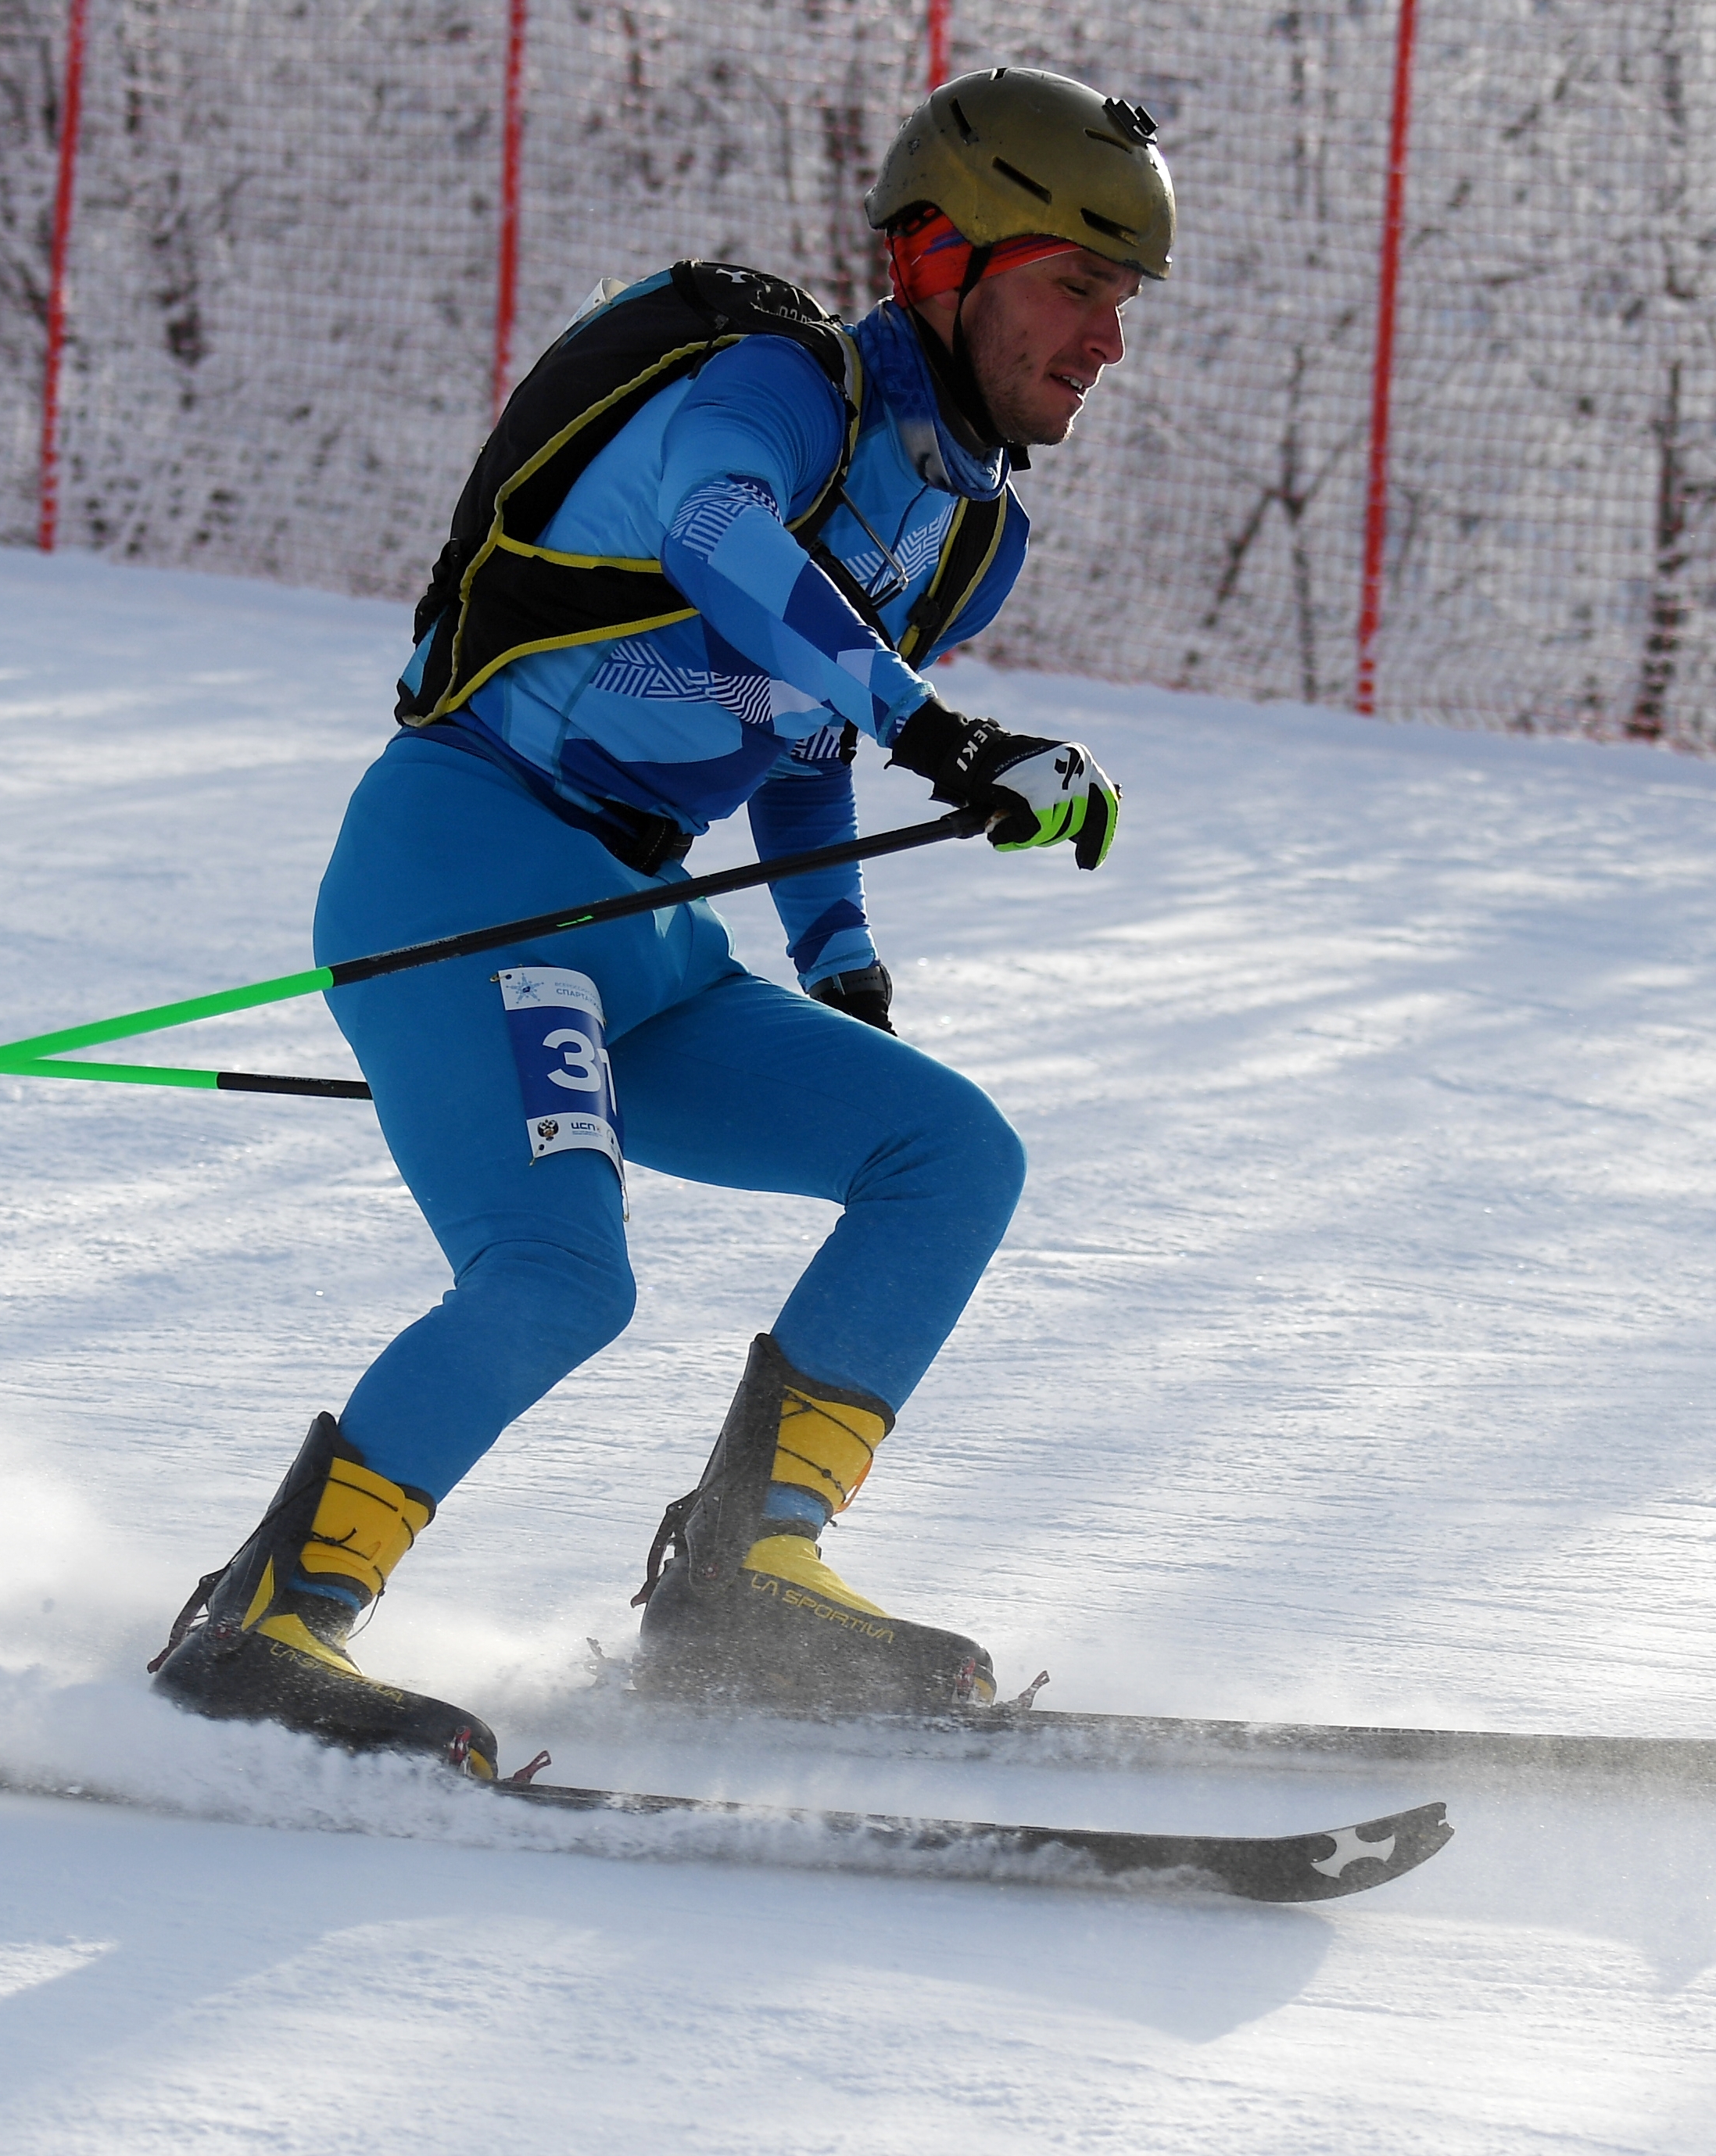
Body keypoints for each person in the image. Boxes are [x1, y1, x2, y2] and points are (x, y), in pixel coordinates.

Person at [148, 68, 1176, 1779]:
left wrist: (839, 959)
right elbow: (718, 546)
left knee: (945, 1153)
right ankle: (261, 1620)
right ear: (938, 256)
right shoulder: (769, 392)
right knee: (558, 1275)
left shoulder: (962, 526)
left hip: (643, 923)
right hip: (466, 875)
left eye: (1122, 301)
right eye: (1075, 283)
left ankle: (742, 1578)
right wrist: (940, 731)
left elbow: (795, 730)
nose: (1105, 340)